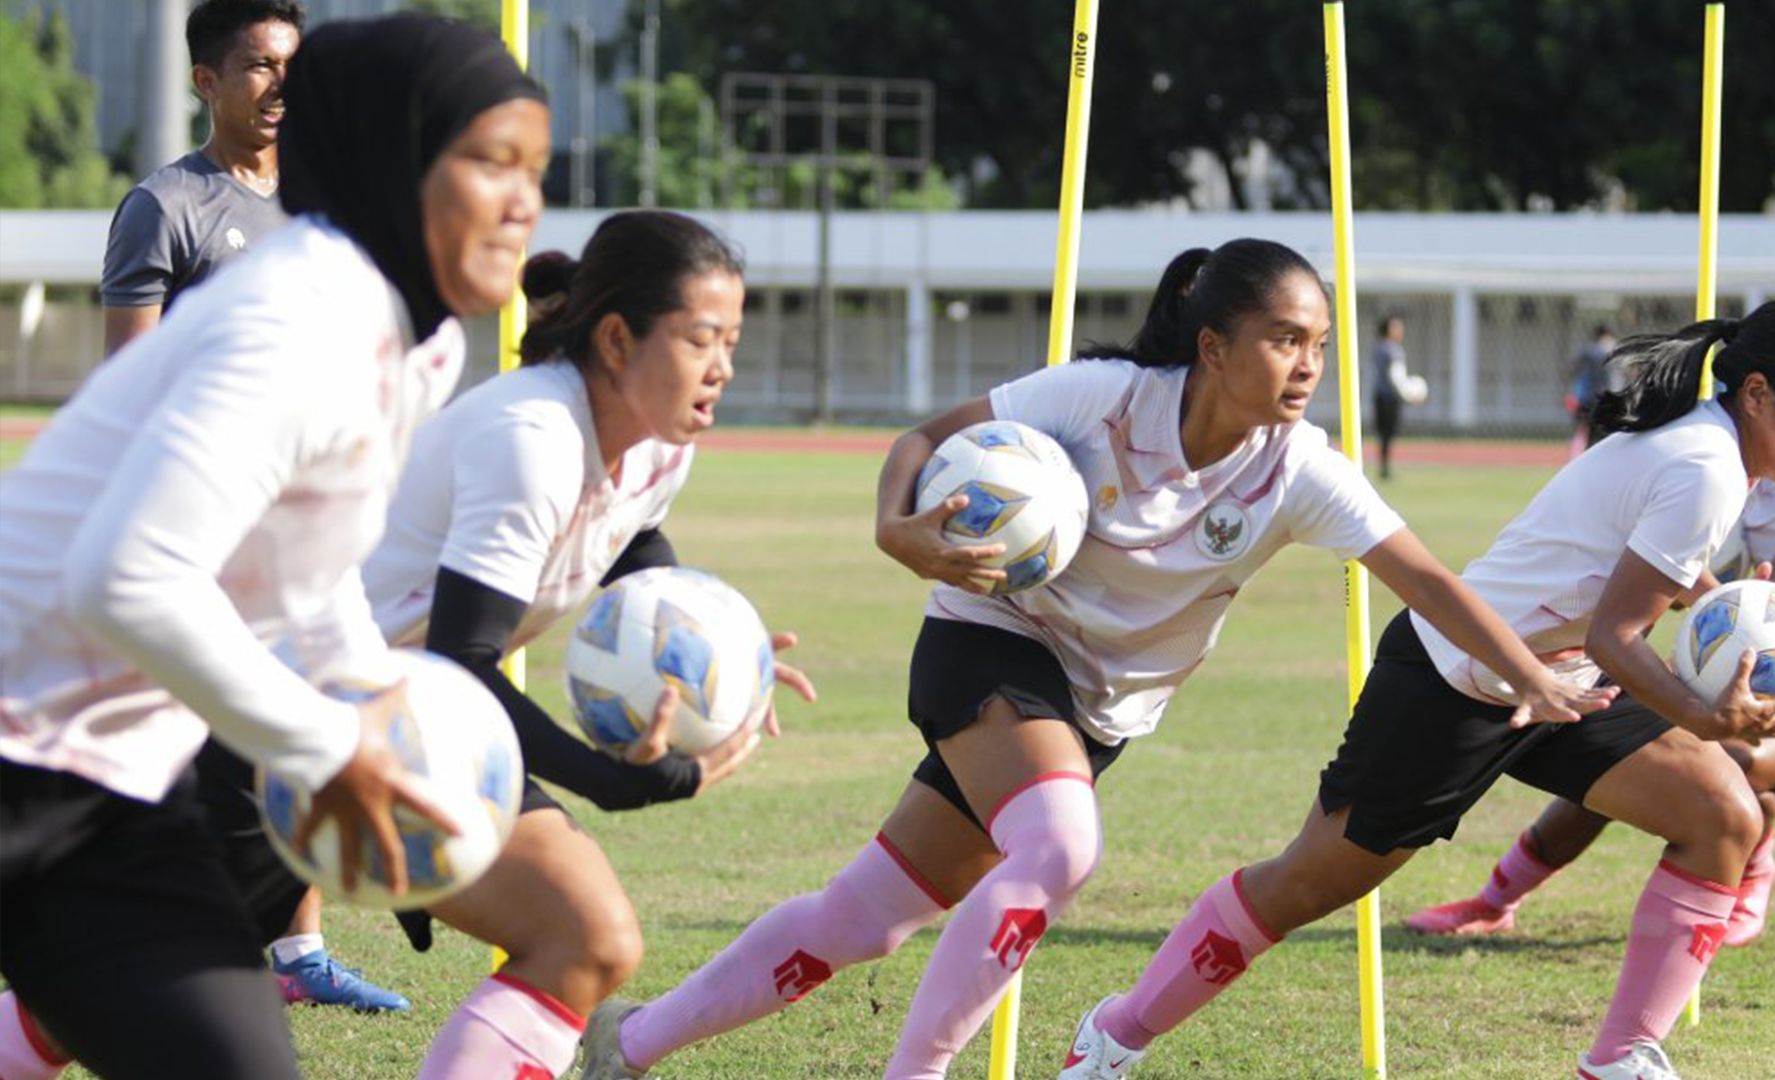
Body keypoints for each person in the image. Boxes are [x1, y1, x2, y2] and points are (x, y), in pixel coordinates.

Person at [577, 239, 1612, 1080]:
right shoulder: (1099, 397)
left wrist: (1529, 673)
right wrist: (899, 531)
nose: (1307, 365)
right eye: (1285, 339)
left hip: (1095, 713)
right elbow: (920, 441)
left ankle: (627, 1045)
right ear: (1213, 346)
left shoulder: (1300, 469)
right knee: (1062, 847)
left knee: (866, 917)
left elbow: (1426, 578)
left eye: (1321, 345)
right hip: (991, 642)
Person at [1053, 298, 1775, 1080]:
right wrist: (1705, 715)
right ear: (1758, 394)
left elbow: (1625, 579)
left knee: (1722, 816)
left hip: (1563, 684)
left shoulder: (1712, 450)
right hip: (1453, 678)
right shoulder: (1707, 466)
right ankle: (1114, 1036)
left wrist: (1722, 604)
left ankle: (1622, 1057)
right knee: (1305, 883)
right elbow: (1619, 634)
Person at [0, 16, 549, 1079]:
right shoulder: (301, 321)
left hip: (108, 786)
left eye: (534, 166)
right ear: (395, 157)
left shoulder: (417, 336)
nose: (523, 200)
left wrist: (372, 706)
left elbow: (311, 559)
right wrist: (332, 746)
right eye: (490, 161)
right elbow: (127, 576)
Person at [362, 209, 809, 1080]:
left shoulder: (659, 446)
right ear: (615, 339)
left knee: (588, 938)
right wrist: (610, 780)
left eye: (733, 340)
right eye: (700, 340)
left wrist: (719, 651)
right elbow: (462, 658)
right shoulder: (530, 440)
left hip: (411, 719)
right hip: (286, 715)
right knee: (114, 981)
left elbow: (636, 555)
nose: (722, 368)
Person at [1405, 273, 1775, 949]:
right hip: (1745, 653)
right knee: (1636, 758)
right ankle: (1496, 898)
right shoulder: (1738, 457)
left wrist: (1710, 638)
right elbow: (1690, 564)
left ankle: (1756, 870)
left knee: (1723, 767)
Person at [101, 0, 303, 356]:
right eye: (261, 65)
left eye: (293, 65)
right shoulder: (163, 208)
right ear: (206, 82)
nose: (282, 82)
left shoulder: (323, 200)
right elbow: (127, 384)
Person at [1370, 314, 1414, 479]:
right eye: (1396, 327)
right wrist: (1409, 393)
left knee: (1383, 434)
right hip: (1390, 396)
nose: (1400, 330)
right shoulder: (1393, 350)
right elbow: (1396, 376)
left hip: (1379, 394)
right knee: (1388, 433)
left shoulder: (1378, 348)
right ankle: (1385, 468)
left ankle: (1384, 466)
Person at [1565, 324, 1617, 457]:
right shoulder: (1611, 350)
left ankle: (1576, 455)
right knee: (1601, 432)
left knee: (1583, 429)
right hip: (1604, 397)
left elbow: (1572, 367)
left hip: (1587, 397)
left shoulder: (1588, 351)